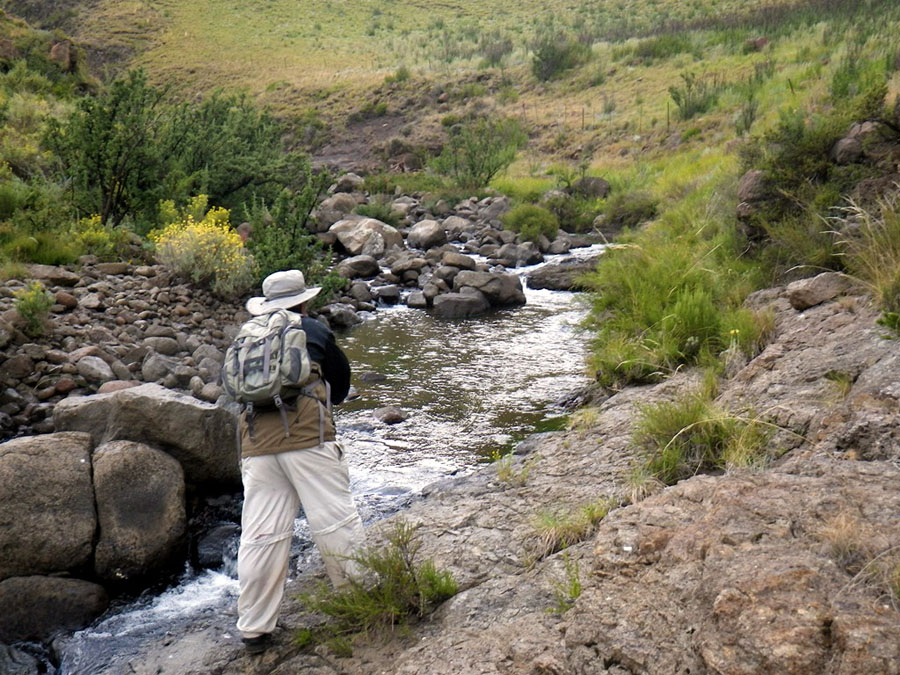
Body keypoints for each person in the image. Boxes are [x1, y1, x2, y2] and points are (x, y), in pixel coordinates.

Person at [235, 269, 364, 654]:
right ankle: (361, 601)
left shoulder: (248, 336)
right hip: (308, 439)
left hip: (256, 444)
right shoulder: (315, 330)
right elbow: (340, 387)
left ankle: (255, 630)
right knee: (335, 522)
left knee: (261, 536)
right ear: (303, 300)